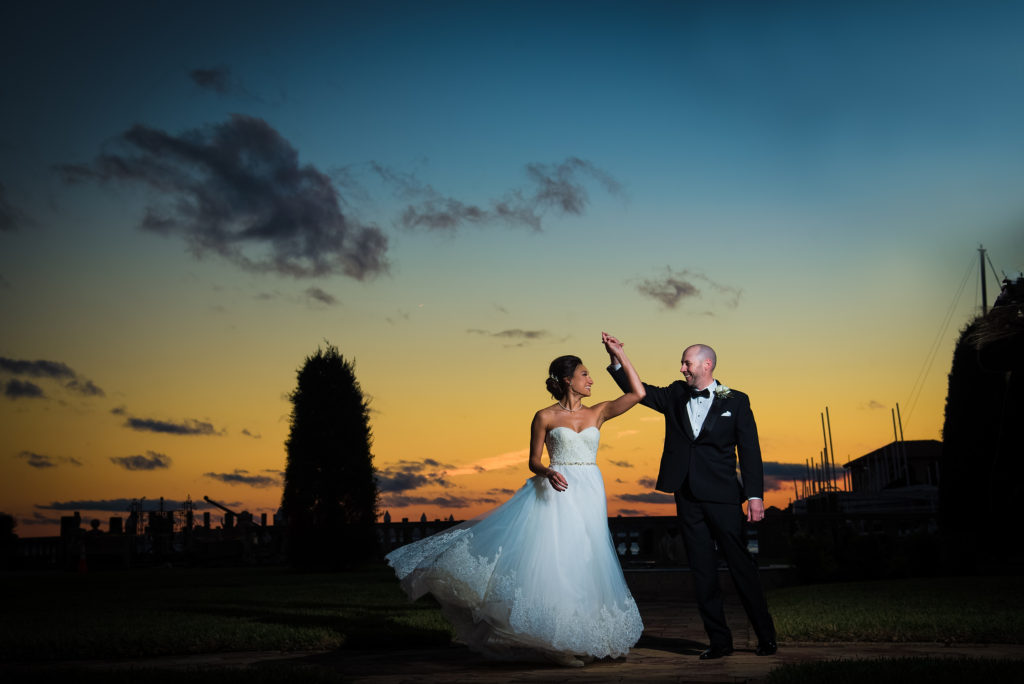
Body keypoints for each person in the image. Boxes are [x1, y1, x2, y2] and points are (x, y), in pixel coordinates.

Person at [386, 333, 646, 667]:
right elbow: (533, 461)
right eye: (585, 374)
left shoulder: (600, 412)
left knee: (587, 558)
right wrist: (548, 473)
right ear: (568, 380)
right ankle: (558, 644)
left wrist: (620, 354)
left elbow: (638, 393)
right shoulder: (545, 416)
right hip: (557, 490)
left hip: (590, 489)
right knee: (560, 562)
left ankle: (587, 635)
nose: (591, 379)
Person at [606, 336, 777, 659]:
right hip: (687, 496)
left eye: (687, 363)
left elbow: (750, 451)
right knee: (702, 571)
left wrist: (755, 496)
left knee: (742, 567)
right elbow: (638, 390)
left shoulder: (737, 400)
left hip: (725, 497)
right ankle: (719, 642)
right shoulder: (674, 394)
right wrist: (617, 358)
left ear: (706, 365)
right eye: (683, 363)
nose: (681, 368)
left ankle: (766, 637)